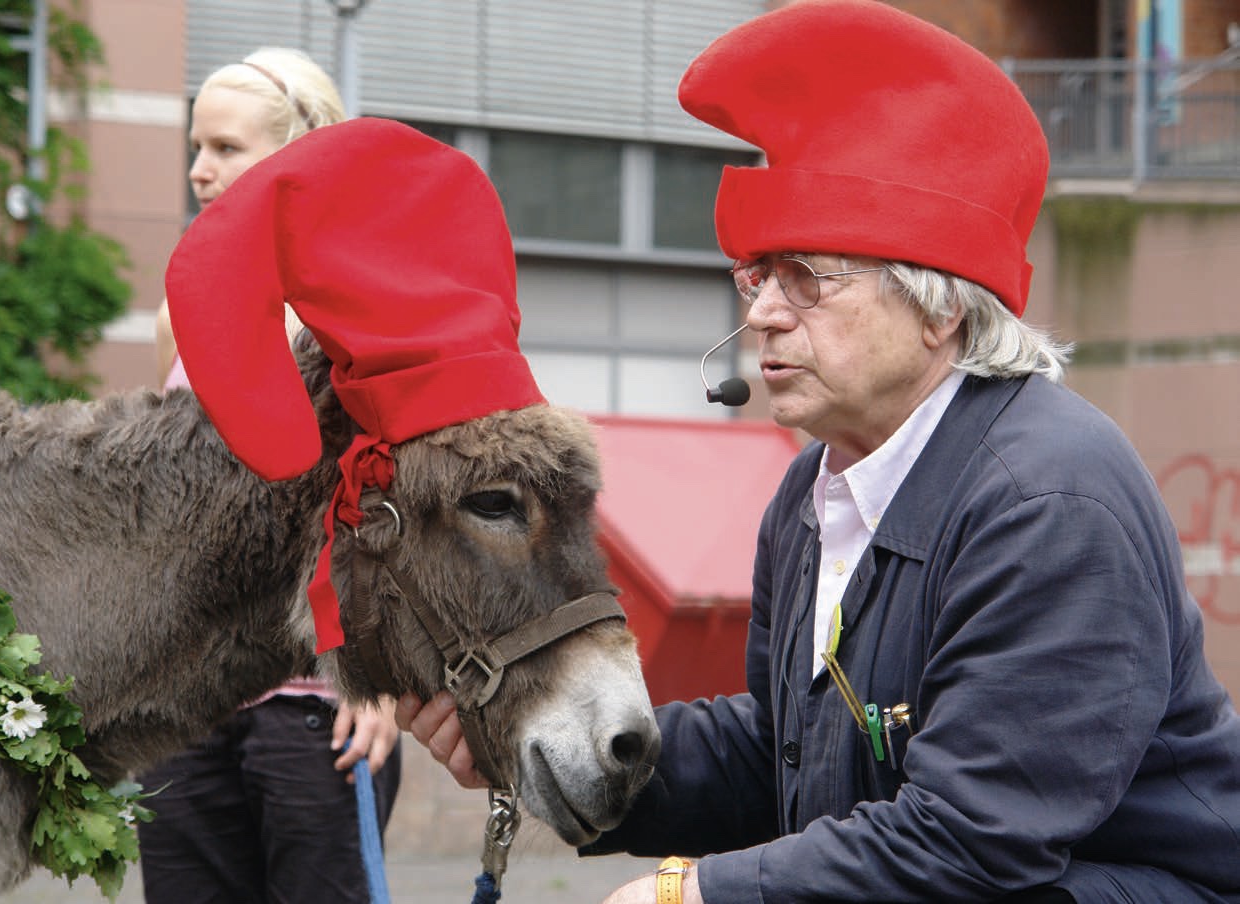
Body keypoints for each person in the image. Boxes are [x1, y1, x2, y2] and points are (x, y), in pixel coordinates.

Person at [396, 2, 1240, 902]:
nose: (760, 312)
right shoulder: (815, 485)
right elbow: (783, 751)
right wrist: (563, 741)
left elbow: (968, 844)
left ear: (939, 308)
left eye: (810, 276)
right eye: (758, 276)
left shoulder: (1047, 502)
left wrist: (691, 893)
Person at [142, 47, 401, 904]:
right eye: (195, 147)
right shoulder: (186, 310)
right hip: (191, 706)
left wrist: (381, 673)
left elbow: (394, 498)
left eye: (224, 147)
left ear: (297, 154)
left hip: (314, 710)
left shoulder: (359, 306)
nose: (198, 171)